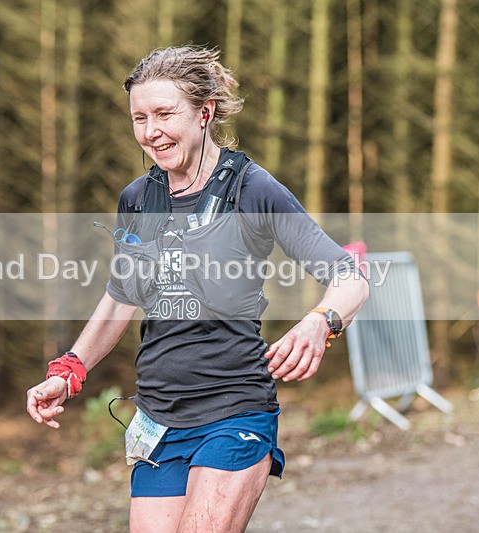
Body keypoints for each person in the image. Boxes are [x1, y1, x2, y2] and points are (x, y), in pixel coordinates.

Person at [26, 45, 369, 533]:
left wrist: (322, 321)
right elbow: (122, 296)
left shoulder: (252, 189)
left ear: (204, 113)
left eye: (165, 114)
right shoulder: (138, 199)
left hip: (234, 411)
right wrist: (69, 369)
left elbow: (350, 275)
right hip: (158, 417)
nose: (150, 132)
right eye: (139, 118)